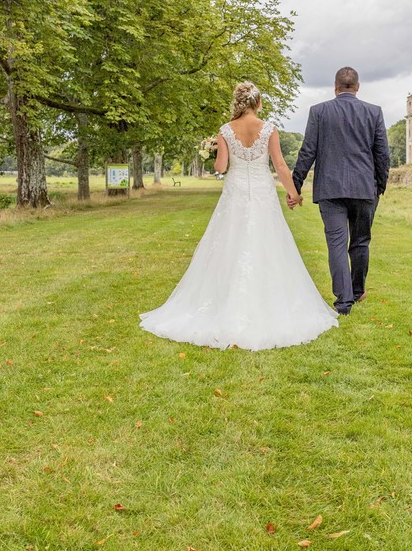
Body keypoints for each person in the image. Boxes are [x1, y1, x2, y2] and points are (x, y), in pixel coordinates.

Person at [138, 82, 338, 350]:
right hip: (261, 193)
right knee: (268, 244)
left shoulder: (225, 130)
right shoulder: (268, 129)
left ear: (239, 102)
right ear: (258, 103)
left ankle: (222, 302)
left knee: (228, 245)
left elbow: (221, 167)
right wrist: (294, 194)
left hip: (235, 194)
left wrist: (212, 151)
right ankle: (269, 303)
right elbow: (279, 165)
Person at [290, 67, 390, 315]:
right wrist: (380, 185)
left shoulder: (319, 112)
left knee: (336, 244)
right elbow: (383, 154)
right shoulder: (373, 112)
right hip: (364, 189)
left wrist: (296, 185)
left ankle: (343, 303)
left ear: (335, 87)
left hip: (330, 189)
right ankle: (357, 292)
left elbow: (307, 151)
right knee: (360, 242)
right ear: (357, 87)